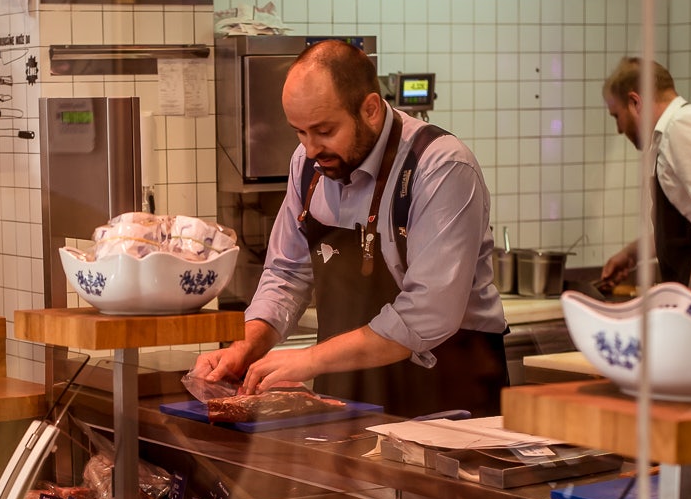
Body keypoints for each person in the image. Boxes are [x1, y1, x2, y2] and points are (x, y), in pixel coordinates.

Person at [194, 39, 508, 417]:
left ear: (371, 109)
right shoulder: (307, 165)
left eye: (324, 130)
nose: (310, 148)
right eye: (299, 132)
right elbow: (286, 273)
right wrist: (246, 345)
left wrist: (310, 358)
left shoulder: (440, 166)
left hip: (444, 393)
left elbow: (428, 312)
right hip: (347, 389)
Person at [600, 56, 691, 288]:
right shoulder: (668, 136)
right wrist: (631, 254)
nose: (619, 129)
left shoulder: (685, 125)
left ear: (635, 102)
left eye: (616, 116)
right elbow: (688, 227)